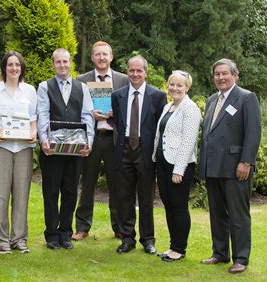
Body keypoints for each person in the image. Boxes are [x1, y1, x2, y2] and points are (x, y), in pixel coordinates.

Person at [199, 59, 261, 274]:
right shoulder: (211, 100)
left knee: (238, 214)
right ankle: (220, 253)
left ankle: (241, 258)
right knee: (217, 213)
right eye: (217, 74)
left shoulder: (246, 98)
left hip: (236, 167)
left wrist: (246, 161)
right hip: (213, 167)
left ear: (235, 75)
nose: (221, 78)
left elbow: (253, 133)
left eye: (225, 73)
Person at [37, 48, 94, 250]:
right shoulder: (45, 87)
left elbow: (87, 116)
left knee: (70, 193)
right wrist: (44, 140)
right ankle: (51, 234)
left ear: (71, 63)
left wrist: (89, 142)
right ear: (53, 64)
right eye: (58, 62)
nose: (62, 65)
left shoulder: (82, 88)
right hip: (52, 151)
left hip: (74, 151)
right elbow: (42, 114)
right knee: (51, 192)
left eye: (65, 61)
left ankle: (65, 233)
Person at [0, 51, 37, 254]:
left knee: (22, 196)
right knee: (0, 195)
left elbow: (33, 118)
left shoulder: (30, 91)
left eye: (17, 65)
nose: (14, 68)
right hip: (1, 147)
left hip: (23, 149)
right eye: (10, 65)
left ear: (21, 68)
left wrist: (34, 132)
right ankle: (1, 240)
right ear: (4, 67)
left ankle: (19, 239)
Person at [72, 41, 129, 241]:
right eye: (98, 54)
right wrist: (90, 113)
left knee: (116, 185)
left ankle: (119, 227)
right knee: (87, 184)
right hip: (92, 138)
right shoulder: (81, 80)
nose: (101, 58)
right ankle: (82, 227)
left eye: (105, 54)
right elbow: (76, 109)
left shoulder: (123, 80)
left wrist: (115, 114)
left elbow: (129, 109)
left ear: (111, 56)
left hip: (114, 139)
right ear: (92, 57)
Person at [111, 55, 166, 255]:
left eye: (139, 71)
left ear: (145, 73)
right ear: (127, 72)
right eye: (131, 70)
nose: (135, 74)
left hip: (146, 151)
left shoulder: (158, 96)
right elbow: (118, 122)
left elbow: (160, 126)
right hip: (123, 149)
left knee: (145, 198)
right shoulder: (117, 96)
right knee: (124, 197)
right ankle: (127, 239)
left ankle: (148, 240)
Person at [152, 70, 201, 262]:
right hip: (163, 163)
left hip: (179, 167)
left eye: (179, 85)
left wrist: (178, 170)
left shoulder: (190, 108)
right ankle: (173, 246)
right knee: (168, 205)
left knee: (179, 207)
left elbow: (188, 141)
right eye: (172, 84)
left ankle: (179, 248)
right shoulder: (168, 107)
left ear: (187, 87)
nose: (175, 88)